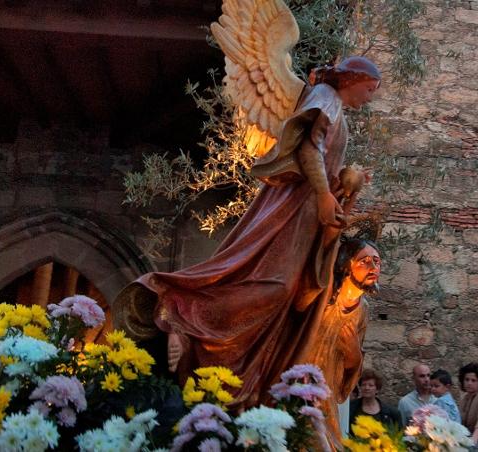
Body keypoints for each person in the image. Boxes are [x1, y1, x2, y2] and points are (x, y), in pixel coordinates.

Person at [113, 56, 382, 411]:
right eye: (369, 89)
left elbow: (324, 158)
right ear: (353, 79)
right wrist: (322, 193)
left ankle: (250, 379)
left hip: (307, 212)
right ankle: (183, 312)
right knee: (276, 287)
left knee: (292, 297)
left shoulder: (337, 108)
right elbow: (307, 147)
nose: (370, 97)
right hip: (292, 205)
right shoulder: (326, 95)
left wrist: (347, 184)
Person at [305, 237, 382, 450]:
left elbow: (351, 372)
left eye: (377, 262)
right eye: (364, 261)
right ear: (346, 265)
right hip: (299, 387)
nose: (373, 267)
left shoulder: (362, 310)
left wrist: (353, 353)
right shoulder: (324, 297)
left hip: (326, 393)